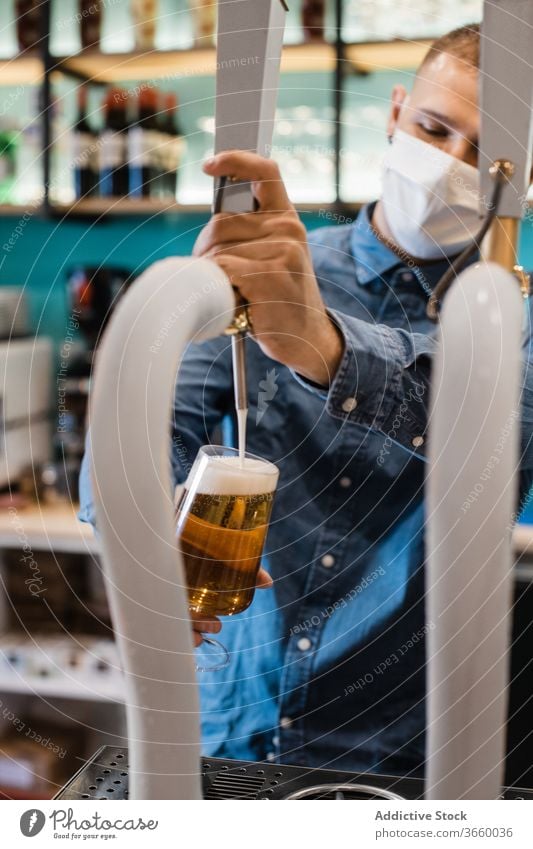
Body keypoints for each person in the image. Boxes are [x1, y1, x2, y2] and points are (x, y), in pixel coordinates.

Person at [79, 24, 533, 777]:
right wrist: (138, 524)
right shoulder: (268, 270)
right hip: (224, 717)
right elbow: (147, 426)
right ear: (393, 113)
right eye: (432, 127)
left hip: (401, 749)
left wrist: (324, 348)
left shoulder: (512, 327)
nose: (448, 165)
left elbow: (503, 446)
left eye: (483, 157)